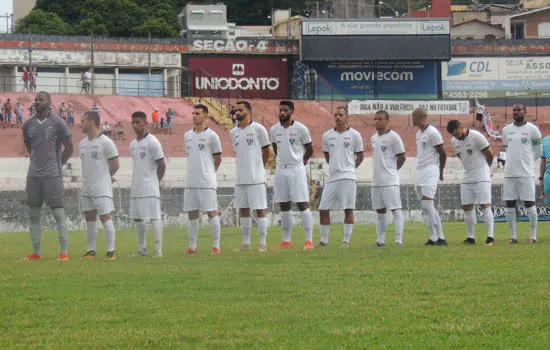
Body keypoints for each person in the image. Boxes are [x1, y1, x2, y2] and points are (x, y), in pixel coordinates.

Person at [22, 91, 74, 261]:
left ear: (49, 103)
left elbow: (70, 147)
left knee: (58, 213)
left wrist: (58, 164)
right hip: (33, 175)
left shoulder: (58, 123)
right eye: (35, 100)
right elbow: (29, 147)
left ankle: (63, 252)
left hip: (52, 175)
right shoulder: (28, 124)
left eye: (40, 100)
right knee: (34, 213)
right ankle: (36, 252)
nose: (37, 102)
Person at [315, 106, 364, 248]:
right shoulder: (327, 135)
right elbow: (327, 155)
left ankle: (346, 241)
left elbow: (360, 156)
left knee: (348, 209)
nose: (338, 117)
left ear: (347, 117)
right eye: (336, 115)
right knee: (323, 208)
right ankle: (324, 241)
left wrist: (350, 168)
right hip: (332, 177)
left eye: (341, 115)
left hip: (348, 176)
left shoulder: (355, 135)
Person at [269, 100, 314, 249]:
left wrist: (303, 162)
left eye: (285, 110)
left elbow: (310, 149)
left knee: (302, 203)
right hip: (281, 169)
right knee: (284, 204)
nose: (282, 113)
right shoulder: (274, 130)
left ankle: (308, 241)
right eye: (280, 110)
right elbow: (276, 148)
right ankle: (286, 240)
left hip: (297, 169)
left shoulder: (301, 128)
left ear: (292, 111)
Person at [79, 111, 120, 261]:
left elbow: (115, 164)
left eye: (83, 121)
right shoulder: (82, 144)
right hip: (87, 188)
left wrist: (106, 177)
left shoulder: (106, 142)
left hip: (101, 188)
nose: (80, 124)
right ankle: (91, 250)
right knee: (89, 218)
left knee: (105, 217)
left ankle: (111, 251)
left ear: (92, 122)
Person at [230, 101, 271, 252]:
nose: (237, 112)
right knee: (243, 210)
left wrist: (260, 166)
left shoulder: (258, 129)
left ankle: (262, 243)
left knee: (260, 209)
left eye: (240, 110)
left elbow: (266, 150)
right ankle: (246, 243)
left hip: (256, 178)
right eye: (236, 110)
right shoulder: (233, 132)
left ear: (248, 111)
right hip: (241, 178)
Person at [447, 120, 495, 245]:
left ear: (461, 126)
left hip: (481, 174)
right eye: (453, 135)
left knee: (485, 205)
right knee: (467, 207)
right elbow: (462, 157)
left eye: (457, 133)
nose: (456, 136)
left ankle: (490, 237)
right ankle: (470, 237)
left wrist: (487, 169)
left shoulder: (477, 136)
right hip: (468, 175)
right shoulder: (454, 141)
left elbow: (490, 154)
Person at [183, 104, 223, 255]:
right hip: (191, 181)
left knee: (211, 212)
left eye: (198, 114)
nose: (194, 116)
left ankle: (216, 246)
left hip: (206, 181)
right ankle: (192, 247)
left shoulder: (212, 136)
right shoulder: (187, 135)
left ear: (205, 116)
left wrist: (210, 173)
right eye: (193, 113)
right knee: (192, 213)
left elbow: (218, 157)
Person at [502, 104, 542, 244]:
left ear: (525, 112)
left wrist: (528, 162)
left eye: (519, 110)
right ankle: (513, 237)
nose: (516, 112)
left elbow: (538, 151)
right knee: (509, 205)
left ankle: (533, 236)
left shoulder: (533, 130)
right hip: (510, 173)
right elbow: (506, 149)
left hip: (526, 173)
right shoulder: (506, 130)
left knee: (530, 204)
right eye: (514, 110)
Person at [129, 111, 166, 257]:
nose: (135, 125)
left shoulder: (153, 142)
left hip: (150, 185)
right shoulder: (133, 144)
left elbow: (161, 164)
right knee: (138, 217)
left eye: (138, 122)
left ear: (145, 123)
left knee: (154, 216)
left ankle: (158, 250)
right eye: (133, 122)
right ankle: (142, 249)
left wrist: (156, 181)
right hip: (137, 186)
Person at [370, 110, 406, 247]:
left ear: (387, 121)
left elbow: (402, 157)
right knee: (380, 211)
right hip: (376, 180)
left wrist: (392, 171)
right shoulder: (373, 138)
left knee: (395, 209)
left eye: (379, 119)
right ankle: (380, 240)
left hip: (390, 181)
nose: (376, 121)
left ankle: (398, 240)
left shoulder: (394, 137)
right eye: (375, 119)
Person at [412, 107, 447, 246]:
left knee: (428, 204)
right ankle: (432, 237)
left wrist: (441, 171)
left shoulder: (433, 132)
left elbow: (442, 153)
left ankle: (441, 237)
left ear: (422, 118)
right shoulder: (418, 133)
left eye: (414, 117)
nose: (412, 119)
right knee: (424, 205)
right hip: (419, 171)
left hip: (430, 170)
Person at [540, 135, 550, 204]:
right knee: (548, 202)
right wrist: (541, 178)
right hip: (548, 176)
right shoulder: (545, 140)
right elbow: (543, 161)